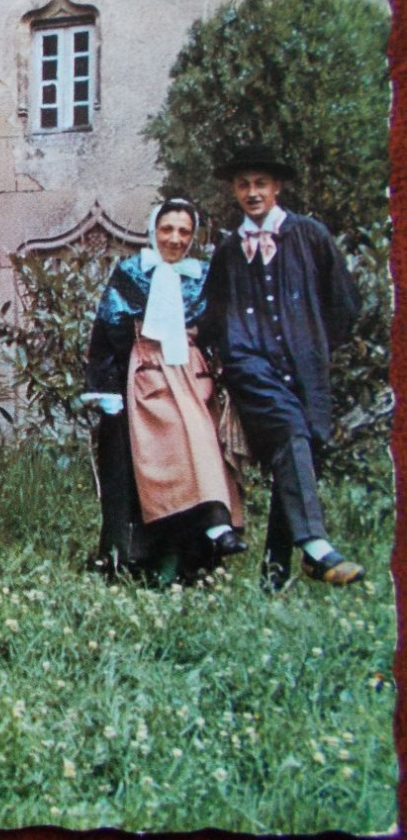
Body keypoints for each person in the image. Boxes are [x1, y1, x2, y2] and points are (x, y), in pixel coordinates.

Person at [199, 144, 364, 588]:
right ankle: (315, 543)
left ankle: (275, 574)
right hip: (251, 368)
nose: (252, 192)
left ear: (277, 188)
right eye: (243, 185)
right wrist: (234, 354)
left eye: (260, 184)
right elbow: (211, 315)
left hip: (304, 368)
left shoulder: (310, 235)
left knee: (295, 453)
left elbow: (345, 304)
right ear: (235, 192)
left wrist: (313, 343)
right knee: (291, 433)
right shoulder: (229, 252)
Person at [83, 199, 245, 581]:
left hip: (191, 373)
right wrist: (105, 387)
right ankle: (205, 524)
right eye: (167, 229)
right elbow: (106, 331)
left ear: (193, 236)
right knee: (177, 437)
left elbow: (219, 330)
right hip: (147, 374)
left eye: (184, 231)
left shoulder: (202, 276)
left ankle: (204, 538)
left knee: (200, 436)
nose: (174, 239)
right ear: (153, 231)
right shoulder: (131, 273)